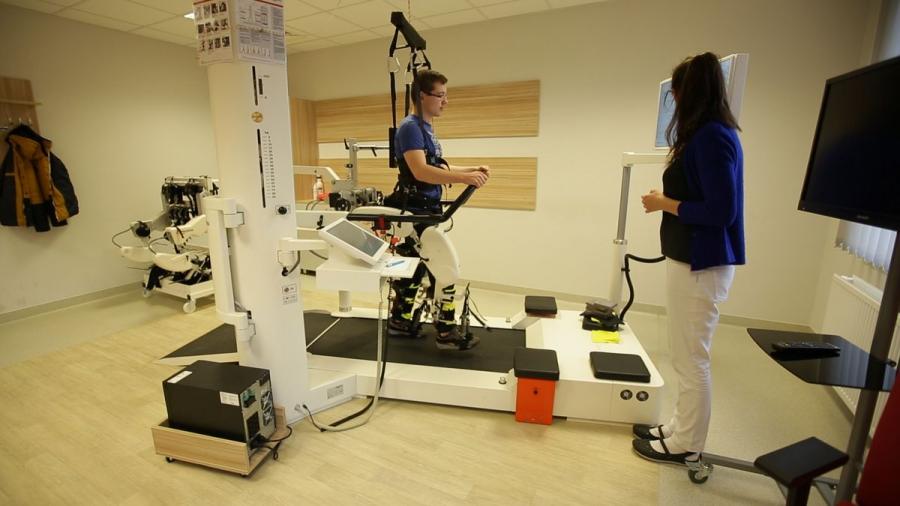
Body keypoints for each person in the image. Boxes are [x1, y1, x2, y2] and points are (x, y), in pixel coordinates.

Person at [632, 52, 745, 465]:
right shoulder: (706, 134)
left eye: (676, 92)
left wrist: (665, 203)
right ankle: (679, 427)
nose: (674, 101)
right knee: (682, 354)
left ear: (688, 92)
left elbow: (721, 211)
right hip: (690, 260)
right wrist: (668, 201)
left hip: (702, 262)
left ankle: (687, 445)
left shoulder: (713, 136)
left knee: (691, 358)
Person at [384, 69, 491, 351]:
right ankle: (445, 332)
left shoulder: (425, 128)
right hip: (414, 212)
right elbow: (421, 172)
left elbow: (437, 167)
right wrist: (465, 179)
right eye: (440, 95)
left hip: (424, 210)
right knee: (445, 268)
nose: (446, 101)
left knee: (415, 268)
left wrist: (470, 171)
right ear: (422, 96)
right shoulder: (410, 127)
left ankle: (400, 322)